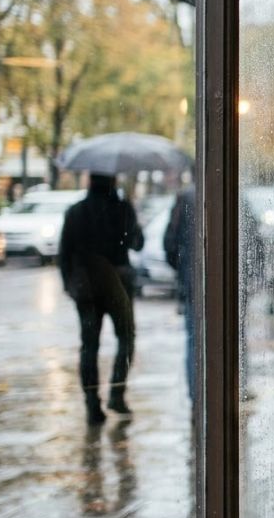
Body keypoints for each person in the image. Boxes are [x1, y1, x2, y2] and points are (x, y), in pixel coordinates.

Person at [59, 173, 144, 426]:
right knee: (126, 339)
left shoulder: (76, 212)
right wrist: (130, 216)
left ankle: (92, 405)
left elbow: (65, 252)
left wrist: (69, 284)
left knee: (89, 346)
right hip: (118, 285)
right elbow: (137, 243)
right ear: (113, 181)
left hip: (87, 288)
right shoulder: (121, 209)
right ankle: (117, 394)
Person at [164, 184, 197, 402]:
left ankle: (196, 396)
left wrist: (183, 269)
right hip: (194, 280)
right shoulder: (234, 190)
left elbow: (169, 243)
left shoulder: (184, 197)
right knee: (233, 336)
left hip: (191, 281)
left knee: (195, 340)